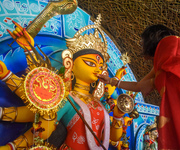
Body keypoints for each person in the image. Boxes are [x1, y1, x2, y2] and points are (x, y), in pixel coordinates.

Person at [0, 16, 128, 150]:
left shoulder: (100, 103)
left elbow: (113, 138)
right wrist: (28, 51)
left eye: (101, 67)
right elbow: (43, 132)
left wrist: (118, 116)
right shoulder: (67, 99)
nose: (97, 69)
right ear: (69, 63)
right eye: (90, 63)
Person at [98, 24, 180, 149]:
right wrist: (110, 81)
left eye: (143, 41)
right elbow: (139, 85)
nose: (141, 45)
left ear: (152, 38)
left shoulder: (170, 44)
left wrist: (154, 82)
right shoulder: (161, 64)